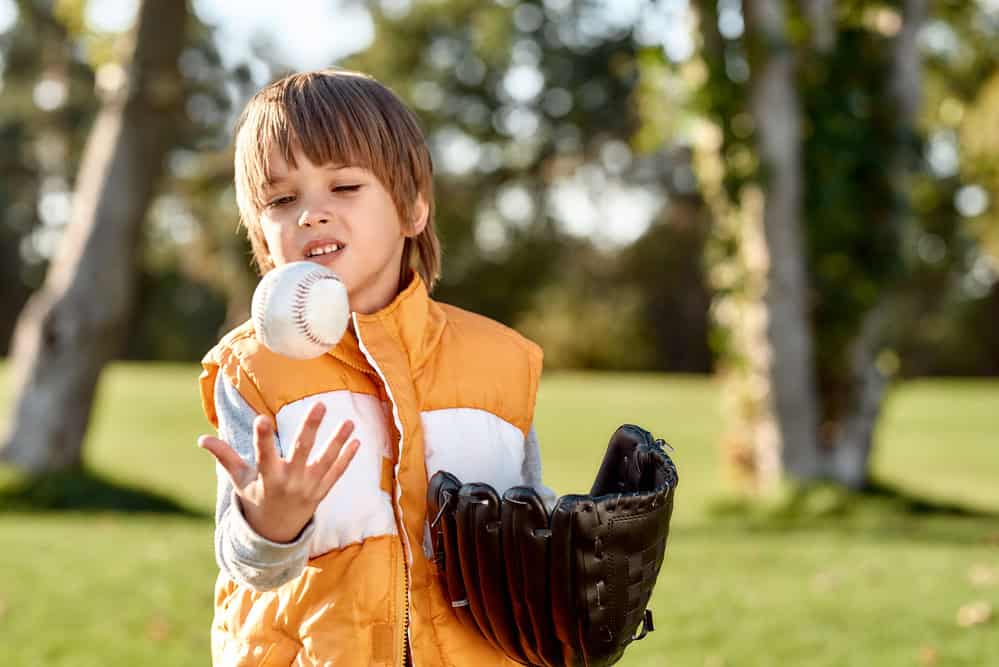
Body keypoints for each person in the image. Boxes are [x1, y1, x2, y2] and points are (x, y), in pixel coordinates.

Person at [196, 68, 555, 667]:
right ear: (261, 234)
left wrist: (562, 553)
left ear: (413, 207)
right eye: (283, 200)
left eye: (344, 186)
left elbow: (532, 529)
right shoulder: (254, 366)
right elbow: (247, 565)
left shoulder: (498, 361)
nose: (312, 213)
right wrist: (272, 524)